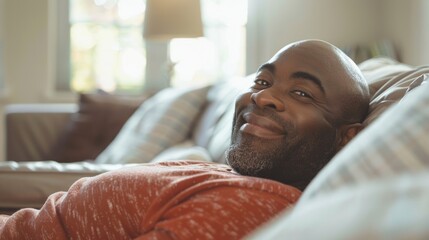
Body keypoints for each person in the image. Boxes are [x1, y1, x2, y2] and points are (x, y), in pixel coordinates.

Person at [0, 39, 369, 240]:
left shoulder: (252, 208)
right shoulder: (235, 178)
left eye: (303, 93)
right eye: (262, 81)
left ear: (345, 138)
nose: (262, 97)